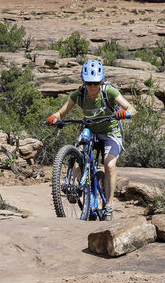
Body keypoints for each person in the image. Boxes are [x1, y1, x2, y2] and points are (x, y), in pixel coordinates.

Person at [46, 59, 134, 221]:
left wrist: (125, 113)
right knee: (77, 152)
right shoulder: (79, 94)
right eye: (88, 83)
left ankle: (108, 206)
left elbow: (132, 109)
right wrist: (53, 118)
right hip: (90, 130)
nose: (92, 87)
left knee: (109, 166)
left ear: (101, 82)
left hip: (110, 132)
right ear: (84, 82)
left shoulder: (109, 92)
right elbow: (61, 113)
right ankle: (76, 186)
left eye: (95, 83)